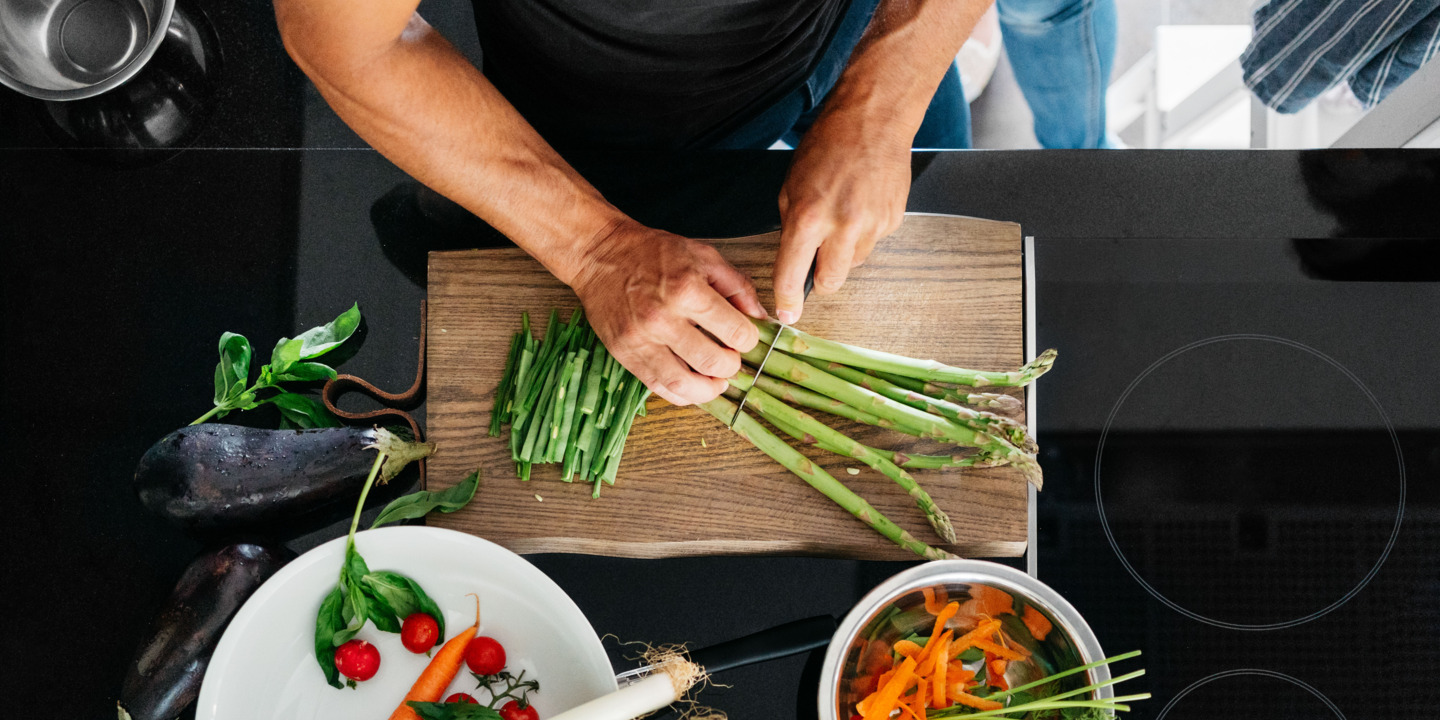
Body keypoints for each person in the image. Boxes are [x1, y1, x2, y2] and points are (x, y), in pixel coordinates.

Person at [275, 0, 1113, 407]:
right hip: (593, 120)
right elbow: (343, 36)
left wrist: (883, 98)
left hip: (863, 31)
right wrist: (596, 250)